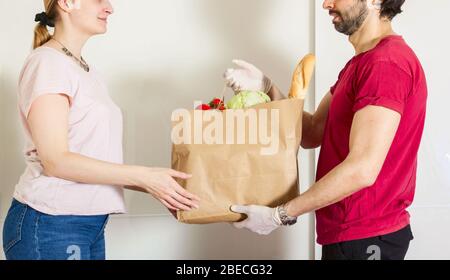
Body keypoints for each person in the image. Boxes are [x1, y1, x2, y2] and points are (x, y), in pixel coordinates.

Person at [225, 0, 427, 260]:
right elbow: (311, 132)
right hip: (349, 235)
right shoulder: (361, 63)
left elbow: (362, 169)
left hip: (367, 237)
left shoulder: (385, 64)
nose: (325, 4)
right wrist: (267, 88)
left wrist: (280, 214)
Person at [2, 0, 200, 260]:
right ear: (67, 3)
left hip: (88, 225)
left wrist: (157, 185)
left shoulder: (86, 70)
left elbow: (92, 158)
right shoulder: (47, 64)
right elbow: (56, 161)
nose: (109, 8)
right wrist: (144, 177)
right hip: (51, 223)